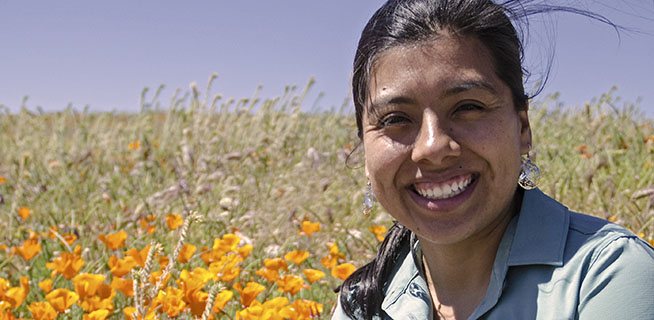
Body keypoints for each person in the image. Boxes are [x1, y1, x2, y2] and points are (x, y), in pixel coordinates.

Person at [332, 0, 654, 319]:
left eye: (468, 107)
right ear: (364, 149)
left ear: (523, 127)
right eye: (394, 118)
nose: (432, 146)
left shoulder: (607, 275)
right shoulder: (363, 302)